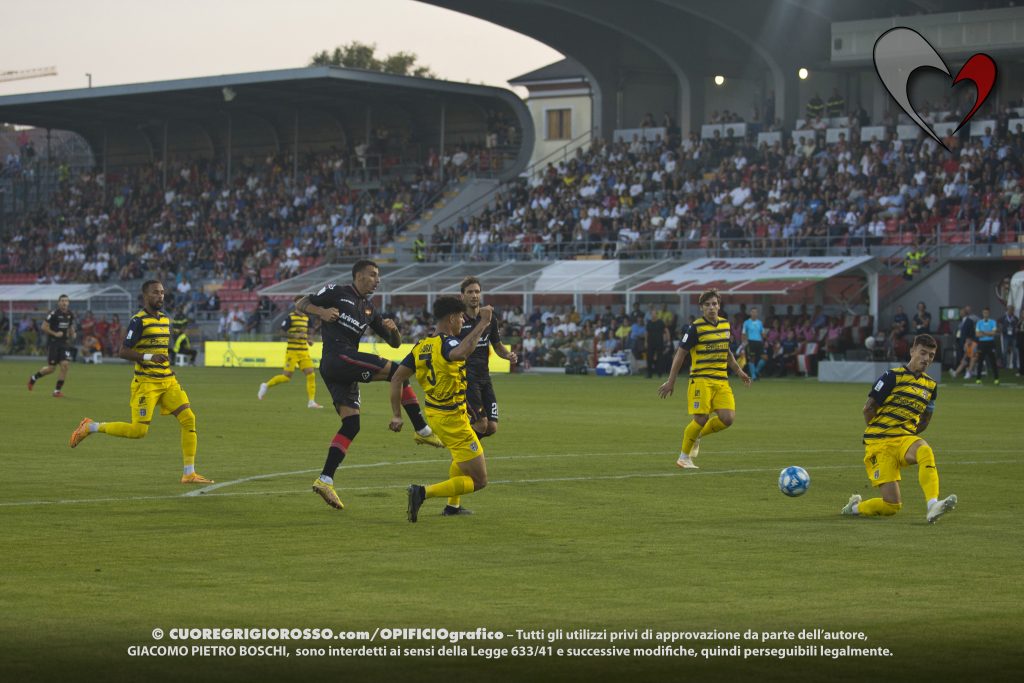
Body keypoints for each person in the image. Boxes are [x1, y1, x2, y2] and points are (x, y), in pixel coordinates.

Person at [299, 260, 443, 511]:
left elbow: (395, 344)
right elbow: (300, 303)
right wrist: (320, 312)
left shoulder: (368, 308)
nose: (377, 280)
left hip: (341, 368)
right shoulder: (337, 292)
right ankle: (421, 429)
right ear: (358, 276)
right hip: (337, 358)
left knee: (351, 424)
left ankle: (325, 480)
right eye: (373, 275)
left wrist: (394, 330)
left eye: (378, 276)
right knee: (399, 372)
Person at [68, 281, 213, 484]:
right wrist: (148, 358)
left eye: (162, 292)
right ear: (145, 296)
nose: (160, 296)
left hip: (168, 381)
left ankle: (189, 473)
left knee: (189, 418)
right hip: (146, 383)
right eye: (156, 293)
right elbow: (123, 351)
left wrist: (166, 367)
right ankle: (91, 427)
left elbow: (161, 351)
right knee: (139, 431)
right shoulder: (138, 321)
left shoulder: (165, 320)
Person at [392, 296, 494, 522]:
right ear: (452, 318)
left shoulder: (421, 345)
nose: (461, 322)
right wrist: (483, 323)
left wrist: (397, 415)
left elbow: (397, 378)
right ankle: (422, 492)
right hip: (452, 421)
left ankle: (453, 506)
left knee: (459, 458)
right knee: (479, 480)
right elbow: (459, 353)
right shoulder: (448, 343)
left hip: (435, 414)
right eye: (460, 318)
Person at [841, 334, 957, 523]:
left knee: (924, 450)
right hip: (879, 443)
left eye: (931, 355)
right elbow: (868, 408)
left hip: (903, 440)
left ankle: (932, 505)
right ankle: (854, 508)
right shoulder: (891, 377)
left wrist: (909, 434)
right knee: (891, 506)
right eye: (923, 353)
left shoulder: (931, 386)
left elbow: (926, 418)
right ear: (912, 351)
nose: (926, 359)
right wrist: (880, 429)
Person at [658, 289, 751, 469]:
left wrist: (739, 371)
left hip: (721, 381)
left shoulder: (725, 325)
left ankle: (697, 435)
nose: (711, 308)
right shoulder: (694, 328)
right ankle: (683, 457)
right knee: (700, 419)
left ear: (719, 306)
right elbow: (680, 355)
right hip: (701, 379)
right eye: (707, 305)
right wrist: (671, 381)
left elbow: (727, 352)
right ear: (701, 308)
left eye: (714, 304)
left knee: (728, 419)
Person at [458, 276, 517, 438]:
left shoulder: (489, 318)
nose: (474, 295)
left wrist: (507, 355)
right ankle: (464, 453)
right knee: (481, 423)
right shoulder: (458, 320)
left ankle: (464, 444)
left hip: (485, 377)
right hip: (466, 378)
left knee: (491, 427)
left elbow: (497, 345)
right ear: (462, 296)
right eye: (470, 292)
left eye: (477, 291)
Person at [257, 296, 323, 408]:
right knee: (286, 377)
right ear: (296, 304)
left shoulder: (307, 318)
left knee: (311, 374)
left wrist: (309, 339)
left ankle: (311, 402)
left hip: (303, 351)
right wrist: (294, 335)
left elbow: (309, 332)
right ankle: (266, 385)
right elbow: (281, 332)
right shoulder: (290, 317)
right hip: (292, 352)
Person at [28, 294, 76, 397]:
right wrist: (55, 333)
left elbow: (70, 326)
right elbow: (43, 327)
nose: (64, 303)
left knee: (65, 366)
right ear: (59, 303)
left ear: (68, 303)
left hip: (64, 344)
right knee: (51, 369)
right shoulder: (53, 314)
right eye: (62, 301)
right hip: (53, 344)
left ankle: (56, 391)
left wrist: (73, 332)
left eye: (66, 301)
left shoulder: (70, 314)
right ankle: (34, 378)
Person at [974, 307, 999, 385]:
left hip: (990, 343)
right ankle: (978, 379)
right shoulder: (979, 322)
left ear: (989, 313)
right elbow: (977, 334)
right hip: (982, 344)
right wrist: (989, 332)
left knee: (993, 361)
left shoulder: (993, 322)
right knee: (980, 361)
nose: (985, 314)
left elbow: (994, 333)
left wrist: (983, 333)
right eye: (984, 313)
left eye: (987, 313)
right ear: (982, 313)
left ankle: (996, 379)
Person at [741, 306, 766, 380]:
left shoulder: (760, 323)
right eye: (753, 312)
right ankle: (754, 376)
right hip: (750, 342)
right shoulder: (746, 322)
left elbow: (763, 333)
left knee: (765, 358)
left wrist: (765, 339)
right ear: (750, 313)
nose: (754, 313)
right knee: (752, 359)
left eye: (755, 312)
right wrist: (744, 343)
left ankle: (756, 371)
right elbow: (743, 333)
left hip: (759, 342)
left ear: (757, 313)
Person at [999, 305, 1018, 372]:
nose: (1010, 311)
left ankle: (1014, 365)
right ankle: (1005, 365)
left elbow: (1017, 326)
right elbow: (999, 322)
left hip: (1014, 337)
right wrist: (1001, 329)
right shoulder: (1003, 317)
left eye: (1012, 310)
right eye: (1009, 310)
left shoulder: (1015, 318)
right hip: (1006, 336)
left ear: (1013, 311)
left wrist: (1016, 329)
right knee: (1005, 351)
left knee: (1015, 351)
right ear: (1007, 310)